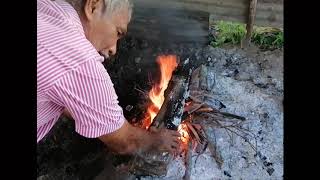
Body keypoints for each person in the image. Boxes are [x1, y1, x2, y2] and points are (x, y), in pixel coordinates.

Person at [37, 0, 180, 154]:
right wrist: (157, 140)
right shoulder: (80, 62)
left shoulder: (48, 7)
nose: (113, 49)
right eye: (118, 32)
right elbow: (124, 142)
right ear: (93, 6)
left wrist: (96, 114)